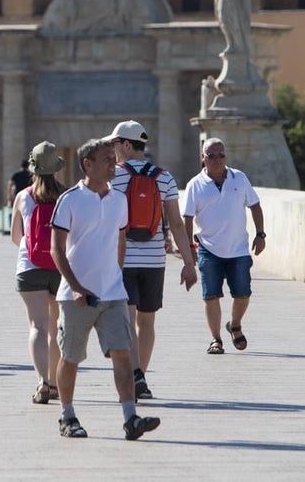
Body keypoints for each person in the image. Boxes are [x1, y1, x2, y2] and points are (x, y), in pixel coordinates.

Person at [51, 139, 161, 441]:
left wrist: (116, 274)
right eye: (106, 159)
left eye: (114, 158)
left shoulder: (118, 200)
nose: (114, 164)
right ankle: (67, 415)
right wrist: (75, 287)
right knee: (71, 357)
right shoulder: (70, 200)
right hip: (76, 296)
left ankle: (130, 418)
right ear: (87, 164)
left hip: (113, 293)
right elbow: (56, 249)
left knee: (123, 355)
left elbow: (121, 237)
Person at [104, 120, 197, 400]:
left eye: (115, 143)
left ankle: (134, 376)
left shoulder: (114, 177)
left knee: (128, 319)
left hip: (123, 260)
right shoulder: (165, 177)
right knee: (147, 322)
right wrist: (189, 263)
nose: (112, 149)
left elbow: (107, 221)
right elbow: (177, 224)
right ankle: (140, 376)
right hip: (154, 260)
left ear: (127, 145)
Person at [182, 137, 265, 355]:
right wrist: (189, 248)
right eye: (211, 156)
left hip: (238, 249)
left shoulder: (239, 178)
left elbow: (255, 205)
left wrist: (261, 234)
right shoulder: (195, 185)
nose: (217, 160)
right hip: (208, 249)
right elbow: (187, 219)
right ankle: (215, 339)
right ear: (203, 158)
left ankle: (235, 325)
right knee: (211, 296)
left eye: (221, 155)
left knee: (243, 293)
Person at [10, 141, 66, 404]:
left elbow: (15, 237)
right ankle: (55, 383)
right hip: (60, 267)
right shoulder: (67, 195)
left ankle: (42, 382)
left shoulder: (23, 196)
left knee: (37, 326)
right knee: (57, 328)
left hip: (29, 267)